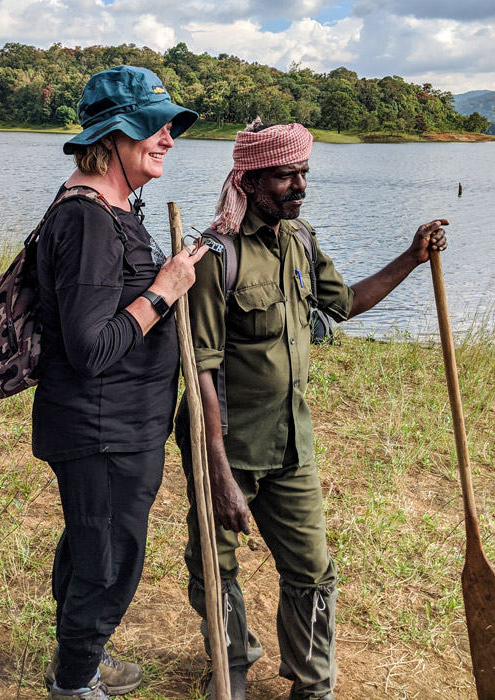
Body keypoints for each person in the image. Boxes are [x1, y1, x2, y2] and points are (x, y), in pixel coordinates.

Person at [176, 120, 447, 700]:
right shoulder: (212, 257)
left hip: (290, 442)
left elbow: (344, 303)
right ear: (249, 180)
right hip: (226, 445)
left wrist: (411, 257)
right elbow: (199, 369)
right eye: (285, 175)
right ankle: (235, 667)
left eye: (303, 173)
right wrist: (218, 473)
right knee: (214, 566)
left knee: (312, 569)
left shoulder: (299, 240)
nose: (299, 185)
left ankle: (312, 684)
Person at [33, 65, 208, 700]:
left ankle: (81, 657)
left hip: (123, 426)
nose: (167, 138)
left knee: (91, 548)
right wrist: (162, 293)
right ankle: (75, 685)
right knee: (106, 566)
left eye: (169, 127)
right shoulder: (86, 219)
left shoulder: (113, 206)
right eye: (151, 127)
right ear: (111, 138)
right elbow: (89, 346)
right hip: (101, 429)